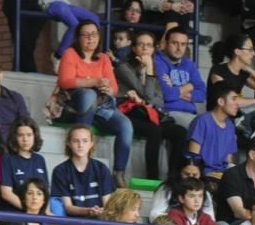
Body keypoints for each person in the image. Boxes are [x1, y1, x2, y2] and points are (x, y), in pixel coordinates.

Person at [57, 20, 133, 186]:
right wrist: (94, 81)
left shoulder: (104, 58)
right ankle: (83, 159)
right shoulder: (70, 54)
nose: (91, 38)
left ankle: (118, 173)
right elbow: (65, 81)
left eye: (94, 34)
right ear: (78, 38)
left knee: (126, 125)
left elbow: (114, 88)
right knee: (89, 94)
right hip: (74, 107)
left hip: (100, 107)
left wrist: (106, 88)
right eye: (86, 35)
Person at [116, 30, 188, 179]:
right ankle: (153, 177)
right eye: (141, 44)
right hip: (130, 113)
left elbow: (158, 100)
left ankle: (174, 177)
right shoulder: (124, 67)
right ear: (134, 48)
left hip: (149, 113)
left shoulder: (157, 69)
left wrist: (145, 98)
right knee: (154, 130)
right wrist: (149, 71)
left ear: (153, 49)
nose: (144, 48)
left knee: (179, 131)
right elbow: (148, 95)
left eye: (148, 45)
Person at [51, 125, 115, 217]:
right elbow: (68, 207)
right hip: (72, 223)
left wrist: (100, 211)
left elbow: (107, 205)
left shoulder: (101, 168)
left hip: (99, 221)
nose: (80, 145)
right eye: (76, 141)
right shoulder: (60, 171)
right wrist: (88, 211)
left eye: (85, 141)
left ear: (91, 143)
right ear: (69, 143)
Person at [154, 26, 206, 128]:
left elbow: (202, 94)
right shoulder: (158, 62)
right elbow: (167, 94)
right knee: (202, 130)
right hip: (169, 112)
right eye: (175, 43)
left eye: (183, 44)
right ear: (165, 43)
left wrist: (178, 90)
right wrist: (188, 87)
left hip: (191, 113)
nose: (179, 48)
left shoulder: (189, 64)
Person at [187, 81, 240, 176]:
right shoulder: (202, 121)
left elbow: (230, 159)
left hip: (222, 176)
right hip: (203, 174)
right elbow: (193, 158)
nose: (237, 104)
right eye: (233, 99)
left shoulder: (230, 126)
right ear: (221, 101)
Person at [0, 117, 49, 211]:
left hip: (37, 214)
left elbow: (45, 193)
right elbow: (6, 193)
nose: (25, 139)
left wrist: (46, 213)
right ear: (15, 137)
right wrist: (29, 210)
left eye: (29, 135)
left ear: (35, 136)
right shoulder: (8, 159)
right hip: (14, 214)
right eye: (21, 135)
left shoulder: (40, 160)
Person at [149, 159, 215, 220]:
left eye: (195, 175)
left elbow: (210, 218)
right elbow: (155, 215)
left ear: (200, 175)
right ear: (179, 173)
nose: (191, 178)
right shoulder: (166, 189)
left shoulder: (205, 193)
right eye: (187, 174)